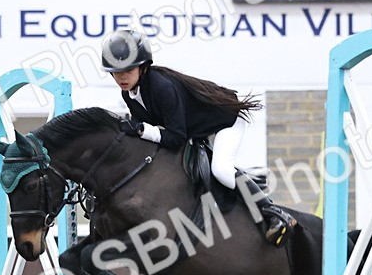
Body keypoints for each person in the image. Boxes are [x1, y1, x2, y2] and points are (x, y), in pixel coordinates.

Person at [100, 28, 295, 246]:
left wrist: (141, 130)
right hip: (197, 129)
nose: (122, 77)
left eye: (128, 70)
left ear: (143, 66)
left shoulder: (161, 87)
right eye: (116, 72)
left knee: (221, 170)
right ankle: (250, 178)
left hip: (225, 121)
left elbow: (175, 137)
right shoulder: (129, 94)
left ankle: (272, 212)